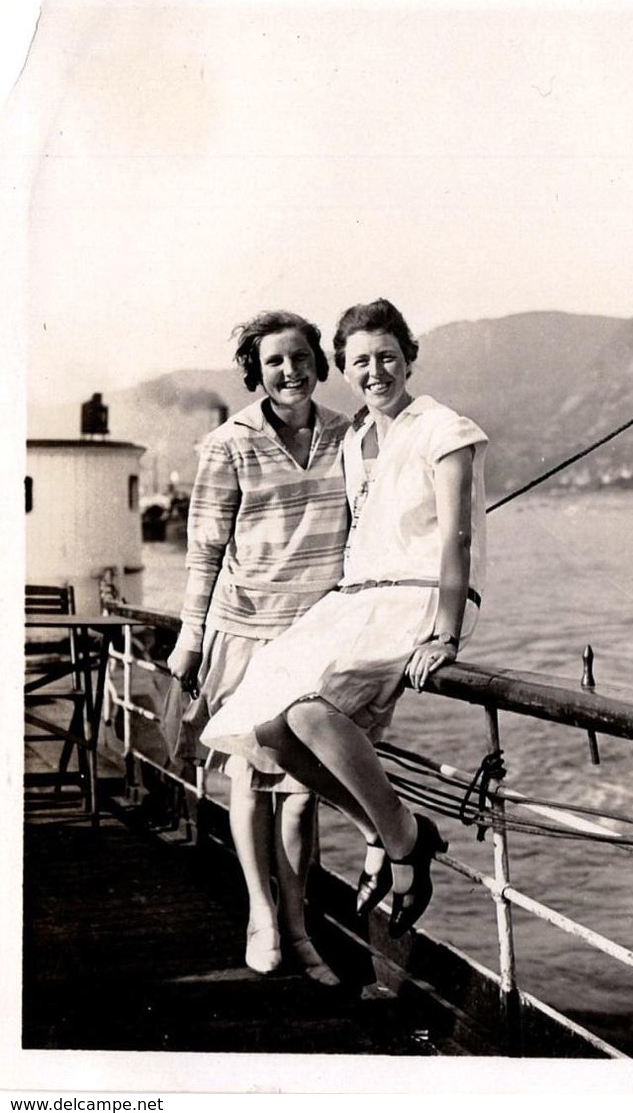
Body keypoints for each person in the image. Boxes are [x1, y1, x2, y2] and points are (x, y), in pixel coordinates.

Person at [201, 298, 487, 938]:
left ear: (409, 358)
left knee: (306, 709)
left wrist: (444, 633)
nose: (375, 371)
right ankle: (386, 830)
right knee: (266, 724)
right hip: (358, 598)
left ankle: (406, 844)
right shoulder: (358, 439)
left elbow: (456, 542)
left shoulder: (446, 429)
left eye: (387, 356)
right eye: (360, 361)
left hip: (420, 596)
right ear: (346, 369)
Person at [166, 310, 350, 981]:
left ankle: (301, 931)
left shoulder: (348, 434)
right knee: (248, 780)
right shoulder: (228, 443)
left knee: (303, 791)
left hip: (319, 637)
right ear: (256, 370)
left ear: (317, 361)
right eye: (275, 360)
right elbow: (204, 553)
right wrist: (190, 640)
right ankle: (261, 917)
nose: (290, 369)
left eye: (300, 356)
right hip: (244, 633)